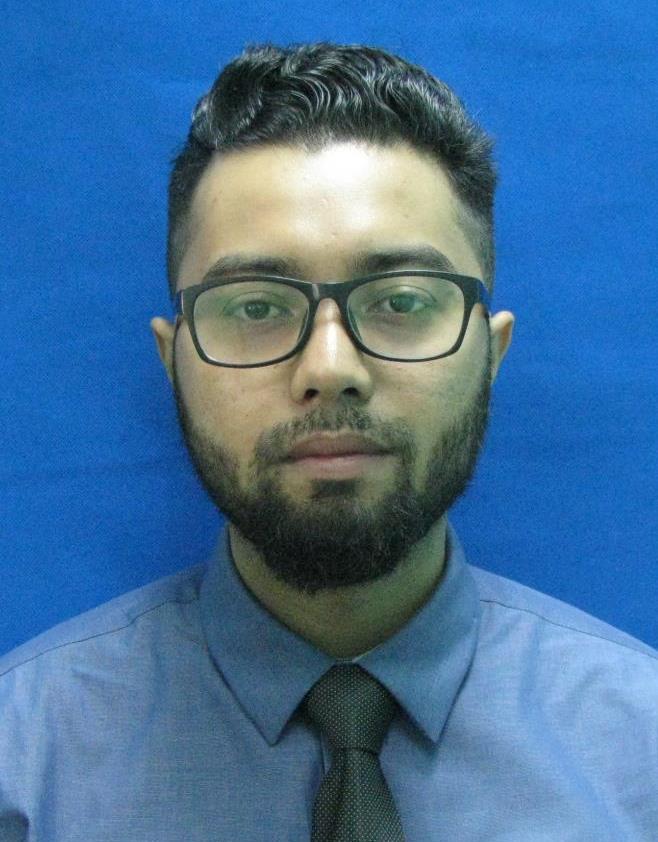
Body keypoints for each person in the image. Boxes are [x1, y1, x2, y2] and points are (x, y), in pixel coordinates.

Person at [0, 42, 656, 841]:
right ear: (174, 361)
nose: (330, 368)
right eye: (254, 307)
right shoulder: (21, 769)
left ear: (492, 353)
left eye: (403, 301)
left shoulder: (641, 759)